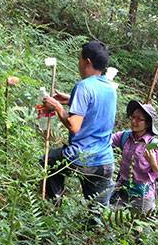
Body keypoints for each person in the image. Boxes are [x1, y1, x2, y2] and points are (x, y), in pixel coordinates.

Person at [42, 40, 117, 212]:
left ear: (87, 61)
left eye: (79, 59)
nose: (78, 63)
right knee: (96, 214)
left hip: (81, 157)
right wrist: (70, 100)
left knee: (47, 160)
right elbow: (95, 105)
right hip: (105, 161)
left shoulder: (83, 86)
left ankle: (52, 208)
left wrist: (58, 107)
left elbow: (74, 126)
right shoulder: (110, 87)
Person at [109, 100, 158, 216]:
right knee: (109, 219)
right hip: (122, 189)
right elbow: (106, 139)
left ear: (147, 124)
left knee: (139, 227)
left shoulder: (154, 145)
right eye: (133, 117)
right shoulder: (125, 136)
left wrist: (153, 163)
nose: (134, 121)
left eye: (139, 119)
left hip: (143, 194)